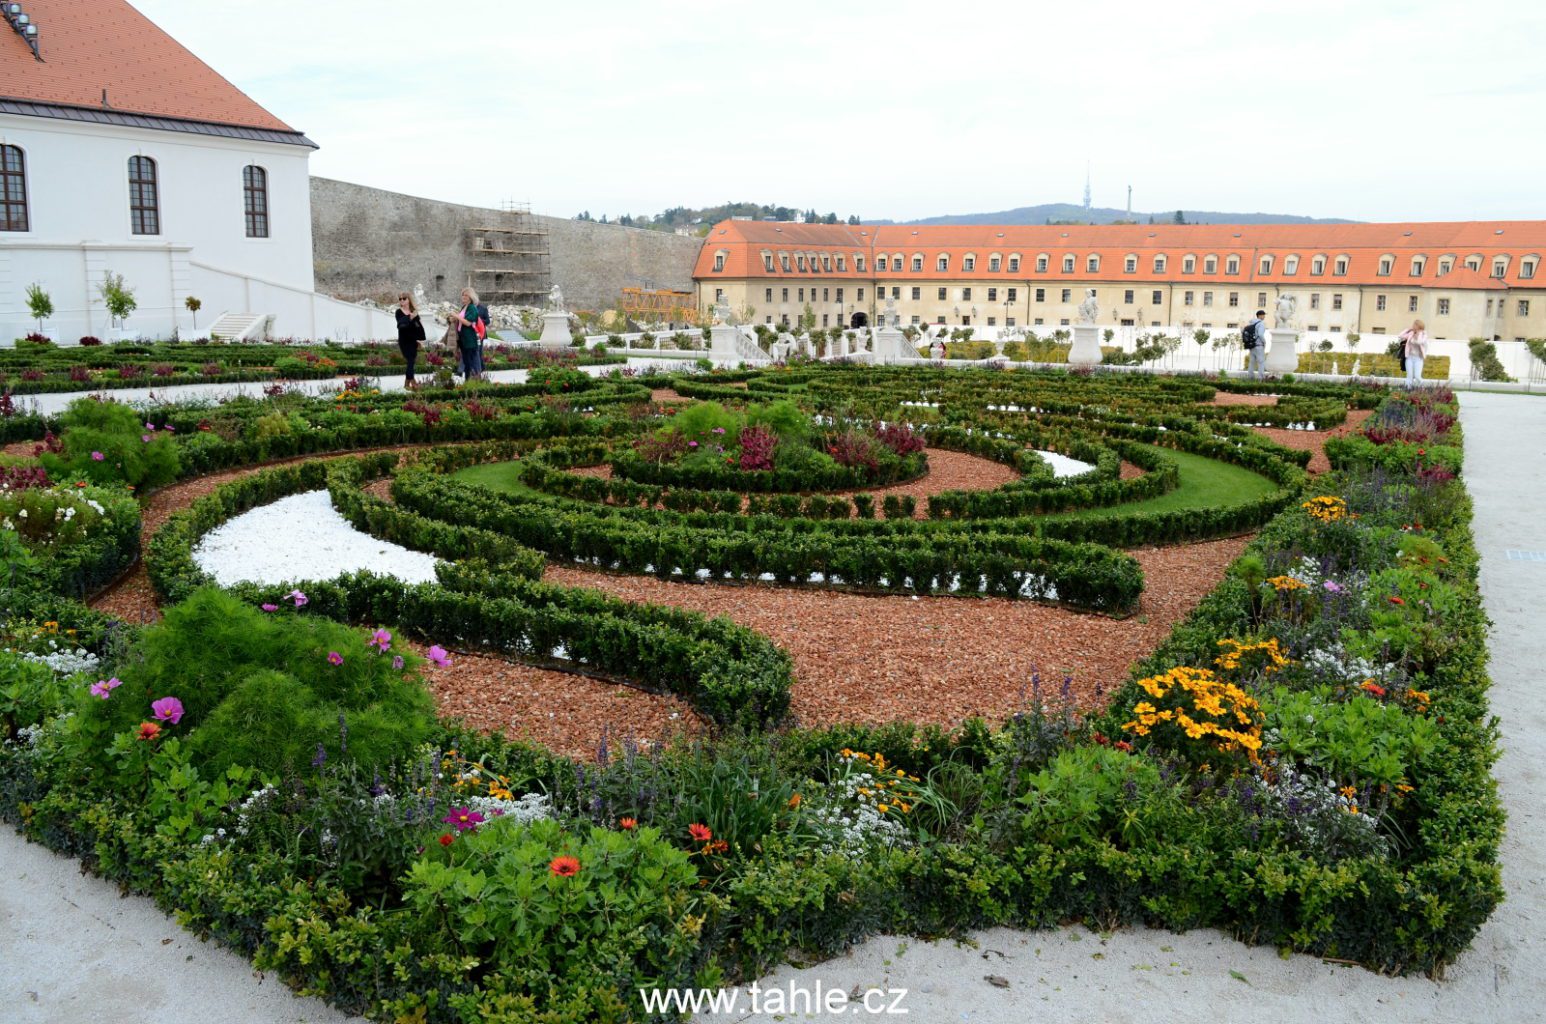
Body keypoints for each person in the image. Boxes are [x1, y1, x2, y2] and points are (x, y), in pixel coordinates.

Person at [451, 287, 488, 381]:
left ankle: (477, 378)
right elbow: (461, 320)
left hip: (470, 338)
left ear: (470, 297)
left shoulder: (472, 308)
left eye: (465, 295)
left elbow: (468, 322)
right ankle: (468, 379)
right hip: (463, 338)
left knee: (473, 359)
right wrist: (454, 319)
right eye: (462, 295)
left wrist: (456, 316)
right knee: (467, 360)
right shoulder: (464, 307)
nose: (463, 297)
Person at [394, 293, 425, 388]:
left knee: (412, 361)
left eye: (404, 298)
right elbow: (401, 325)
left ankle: (407, 384)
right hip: (404, 340)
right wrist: (409, 317)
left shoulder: (413, 311)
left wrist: (419, 339)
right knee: (410, 360)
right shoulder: (398, 312)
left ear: (409, 299)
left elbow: (418, 326)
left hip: (413, 340)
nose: (402, 300)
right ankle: (412, 382)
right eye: (400, 299)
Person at [1399, 319, 1427, 386]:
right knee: (1409, 377)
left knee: (1417, 376)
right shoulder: (1411, 334)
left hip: (1418, 359)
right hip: (1409, 358)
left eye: (1414, 325)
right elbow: (1400, 335)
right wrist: (1408, 330)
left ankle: (1423, 388)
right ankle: (1407, 392)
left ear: (1419, 326)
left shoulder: (1424, 335)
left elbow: (1419, 342)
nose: (1413, 326)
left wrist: (1419, 334)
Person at [1245, 309, 1268, 381]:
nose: (1264, 316)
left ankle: (1250, 378)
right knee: (1261, 362)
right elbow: (1261, 334)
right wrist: (1264, 342)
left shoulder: (1251, 323)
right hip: (1259, 345)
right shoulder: (1261, 324)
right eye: (1263, 315)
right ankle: (1260, 379)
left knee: (1252, 362)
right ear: (1260, 316)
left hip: (1251, 345)